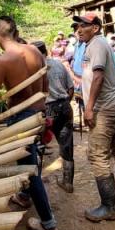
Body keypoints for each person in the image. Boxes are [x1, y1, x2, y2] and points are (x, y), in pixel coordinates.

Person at [0, 16, 59, 230]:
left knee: (29, 170)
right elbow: (45, 86)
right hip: (40, 113)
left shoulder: (3, 61)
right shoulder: (34, 51)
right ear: (15, 31)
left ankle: (49, 223)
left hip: (22, 117)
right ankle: (24, 196)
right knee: (32, 160)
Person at [74, 11, 115, 220]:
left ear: (96, 28)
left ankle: (109, 207)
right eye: (78, 26)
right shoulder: (94, 44)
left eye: (84, 25)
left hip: (104, 109)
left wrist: (89, 108)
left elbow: (98, 77)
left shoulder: (97, 45)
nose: (79, 29)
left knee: (98, 155)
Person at [32, 40, 76, 193]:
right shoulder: (58, 64)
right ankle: (68, 182)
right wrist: (64, 103)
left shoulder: (35, 69)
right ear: (46, 51)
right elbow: (71, 88)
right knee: (66, 145)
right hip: (65, 106)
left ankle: (35, 183)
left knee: (39, 145)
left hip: (48, 108)